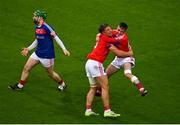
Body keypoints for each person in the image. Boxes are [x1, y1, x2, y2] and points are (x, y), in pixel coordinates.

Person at [8, 10, 70, 91]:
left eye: (35, 16)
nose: (33, 17)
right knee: (26, 68)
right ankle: (20, 86)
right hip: (37, 53)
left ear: (40, 18)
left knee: (50, 74)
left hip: (47, 55)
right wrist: (28, 48)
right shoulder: (37, 27)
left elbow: (56, 38)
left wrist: (64, 49)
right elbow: (37, 40)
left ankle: (63, 84)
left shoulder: (47, 27)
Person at [85, 23, 133, 117]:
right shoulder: (107, 41)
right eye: (108, 30)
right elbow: (118, 53)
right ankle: (107, 111)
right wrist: (130, 53)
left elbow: (98, 35)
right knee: (105, 86)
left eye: (110, 29)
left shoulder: (101, 36)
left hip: (89, 63)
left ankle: (88, 110)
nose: (111, 30)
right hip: (96, 64)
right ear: (103, 32)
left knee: (93, 88)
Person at [106, 22, 148, 96]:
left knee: (127, 73)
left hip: (126, 58)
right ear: (117, 27)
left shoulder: (123, 39)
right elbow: (107, 33)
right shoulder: (115, 32)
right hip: (118, 59)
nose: (119, 32)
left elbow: (109, 41)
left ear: (124, 31)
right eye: (118, 29)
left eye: (121, 31)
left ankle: (141, 89)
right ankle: (100, 90)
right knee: (105, 74)